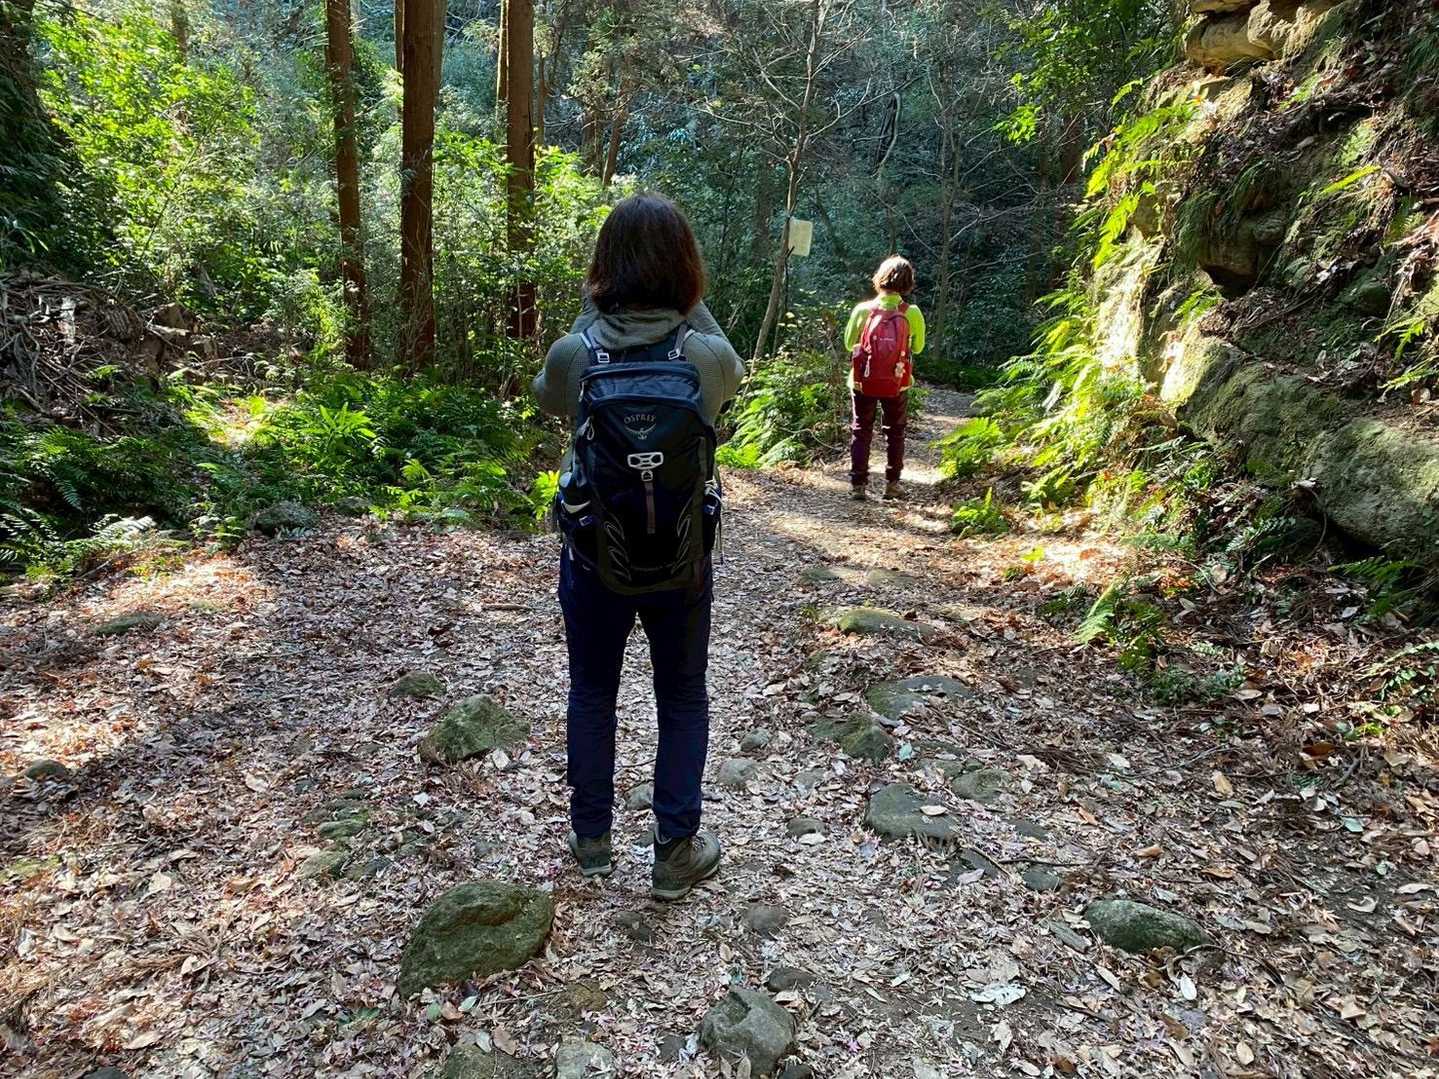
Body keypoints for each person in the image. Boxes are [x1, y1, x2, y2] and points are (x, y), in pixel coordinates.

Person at [532, 193, 745, 901]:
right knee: (681, 694)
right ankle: (674, 849)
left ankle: (592, 839)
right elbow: (733, 368)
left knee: (593, 688)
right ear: (686, 270)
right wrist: (690, 305)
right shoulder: (704, 356)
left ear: (603, 269)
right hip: (682, 558)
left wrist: (589, 312)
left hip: (595, 554)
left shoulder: (576, 353)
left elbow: (545, 395)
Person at [844, 255, 925, 501]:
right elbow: (918, 347)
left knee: (861, 429)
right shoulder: (912, 313)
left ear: (879, 278)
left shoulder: (863, 310)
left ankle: (858, 485)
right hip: (898, 381)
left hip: (862, 381)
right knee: (895, 432)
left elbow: (848, 344)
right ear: (908, 283)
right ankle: (892, 484)